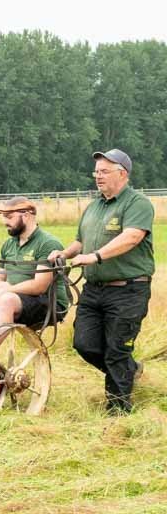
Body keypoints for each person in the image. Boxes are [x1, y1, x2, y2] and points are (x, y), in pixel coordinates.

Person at [49, 149, 154, 415]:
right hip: (94, 291)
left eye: (104, 171)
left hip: (128, 290)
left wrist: (95, 257)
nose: (98, 176)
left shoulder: (137, 203)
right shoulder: (93, 207)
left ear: (123, 173)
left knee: (116, 351)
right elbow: (80, 241)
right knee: (84, 344)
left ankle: (118, 414)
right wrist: (64, 253)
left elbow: (131, 237)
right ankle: (130, 371)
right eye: (96, 171)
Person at [0, 197, 68, 350]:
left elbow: (39, 286)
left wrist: (4, 290)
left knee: (6, 299)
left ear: (26, 215)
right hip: (14, 297)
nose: (5, 221)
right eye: (4, 217)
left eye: (9, 217)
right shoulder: (9, 244)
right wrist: (0, 285)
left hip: (47, 302)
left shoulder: (47, 243)